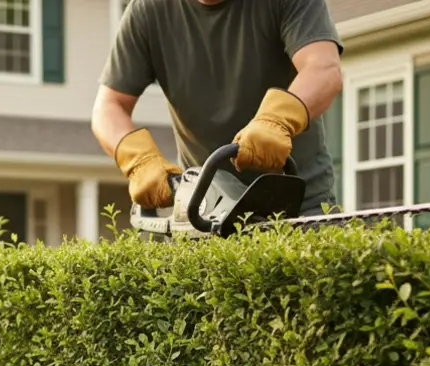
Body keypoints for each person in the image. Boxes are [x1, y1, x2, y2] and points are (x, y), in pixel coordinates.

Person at [91, 0, 345, 217]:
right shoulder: (147, 11)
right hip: (205, 211)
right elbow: (109, 105)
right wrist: (138, 160)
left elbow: (323, 69)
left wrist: (276, 122)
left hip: (299, 204)